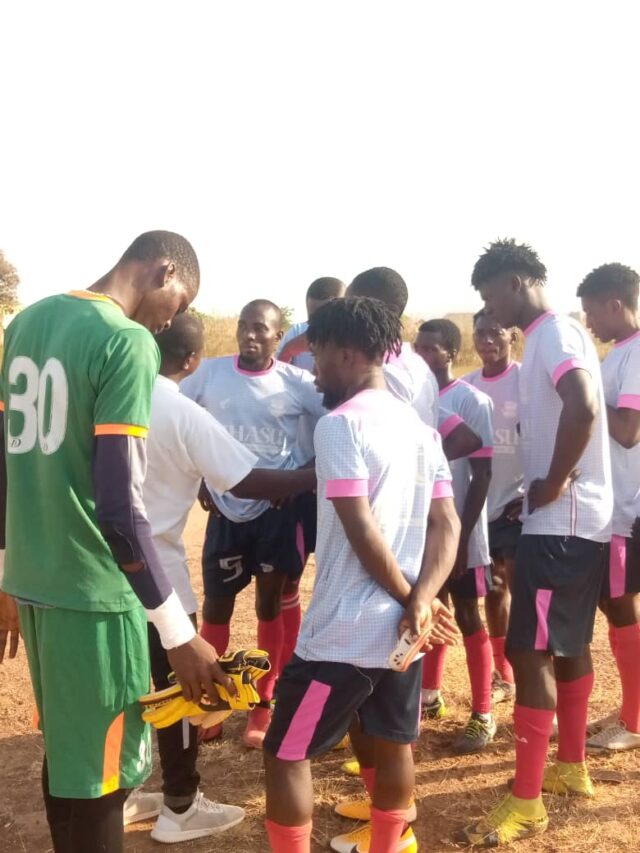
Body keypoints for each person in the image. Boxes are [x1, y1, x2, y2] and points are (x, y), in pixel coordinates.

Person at [0, 232, 236, 853]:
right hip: (94, 595)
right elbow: (120, 511)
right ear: (163, 271)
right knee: (103, 777)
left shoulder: (29, 323)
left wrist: (7, 573)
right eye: (179, 303)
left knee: (70, 755)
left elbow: (6, 465)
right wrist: (178, 635)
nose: (172, 321)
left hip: (36, 583)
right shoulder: (126, 342)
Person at [263, 296, 461, 853]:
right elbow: (446, 522)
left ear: (347, 353)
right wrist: (421, 599)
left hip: (342, 633)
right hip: (403, 633)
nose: (314, 368)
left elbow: (359, 526)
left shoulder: (339, 426)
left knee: (286, 754)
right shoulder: (421, 429)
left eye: (319, 353)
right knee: (393, 745)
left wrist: (411, 598)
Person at [140, 313, 317, 842]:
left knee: (132, 681)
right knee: (176, 680)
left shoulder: (103, 396)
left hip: (108, 572)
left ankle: (130, 788)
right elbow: (248, 478)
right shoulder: (182, 407)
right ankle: (180, 804)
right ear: (193, 362)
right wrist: (326, 469)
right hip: (163, 573)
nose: (252, 335)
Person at [459, 239, 612, 846]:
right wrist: (542, 484)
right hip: (575, 517)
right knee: (568, 645)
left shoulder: (552, 335)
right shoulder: (561, 335)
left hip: (564, 522)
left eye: (492, 294)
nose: (491, 309)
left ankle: (526, 801)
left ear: (518, 281)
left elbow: (585, 404)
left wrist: (551, 482)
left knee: (530, 652)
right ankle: (571, 768)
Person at [181, 299, 325, 748]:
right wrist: (201, 473)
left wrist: (300, 479)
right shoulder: (209, 375)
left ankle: (262, 706)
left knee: (269, 607)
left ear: (277, 336)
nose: (250, 335)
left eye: (261, 329)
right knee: (217, 608)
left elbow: (335, 427)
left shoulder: (297, 382)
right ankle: (212, 703)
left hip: (274, 515)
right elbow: (181, 421)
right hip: (226, 511)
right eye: (244, 326)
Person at [414, 319, 496, 753]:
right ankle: (429, 696)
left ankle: (483, 713)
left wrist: (462, 539)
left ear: (450, 353)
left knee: (467, 616)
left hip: (460, 529)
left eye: (432, 348)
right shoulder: (414, 399)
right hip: (424, 530)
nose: (423, 354)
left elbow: (481, 473)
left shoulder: (471, 400)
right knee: (429, 611)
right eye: (418, 346)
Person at [577, 263, 640, 752]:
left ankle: (634, 721)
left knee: (620, 604)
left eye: (592, 310)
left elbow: (627, 429)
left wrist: (585, 390)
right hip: (614, 505)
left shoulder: (636, 354)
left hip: (629, 508)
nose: (589, 320)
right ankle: (627, 709)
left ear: (614, 304)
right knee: (613, 603)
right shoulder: (620, 354)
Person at [277, 277, 345, 682]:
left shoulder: (354, 340)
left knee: (340, 571)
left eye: (326, 312)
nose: (317, 322)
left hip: (341, 472)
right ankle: (291, 665)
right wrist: (289, 350)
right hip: (303, 473)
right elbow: (272, 379)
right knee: (291, 574)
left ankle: (331, 666)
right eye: (312, 313)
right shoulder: (296, 340)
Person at [465, 309, 523, 703]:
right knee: (495, 590)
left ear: (512, 336)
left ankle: (531, 673)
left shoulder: (525, 381)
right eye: (480, 333)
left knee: (523, 590)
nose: (487, 340)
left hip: (518, 504)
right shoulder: (468, 388)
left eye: (495, 333)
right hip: (481, 505)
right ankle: (503, 673)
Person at [277, 276, 346, 369]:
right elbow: (277, 378)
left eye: (325, 317)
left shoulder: (358, 337)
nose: (320, 324)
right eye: (313, 319)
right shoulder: (296, 332)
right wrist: (287, 351)